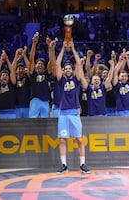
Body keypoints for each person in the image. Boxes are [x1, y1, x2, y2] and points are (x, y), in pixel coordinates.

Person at [54, 39, 90, 174]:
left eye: (70, 68)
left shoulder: (76, 79)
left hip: (74, 112)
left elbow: (79, 64)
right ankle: (64, 165)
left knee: (79, 139)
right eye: (66, 69)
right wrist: (63, 49)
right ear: (63, 71)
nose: (68, 70)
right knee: (62, 139)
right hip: (63, 113)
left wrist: (73, 48)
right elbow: (57, 63)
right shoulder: (61, 80)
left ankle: (82, 164)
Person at [27, 33, 52, 118]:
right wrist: (34, 43)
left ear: (44, 67)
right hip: (35, 100)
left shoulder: (46, 74)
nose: (40, 65)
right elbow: (31, 60)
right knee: (32, 121)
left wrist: (50, 47)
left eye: (42, 64)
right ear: (36, 66)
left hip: (45, 101)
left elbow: (51, 62)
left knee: (46, 123)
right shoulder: (33, 74)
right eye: (38, 63)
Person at [0, 50, 19, 119]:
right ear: (0, 77)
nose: (4, 76)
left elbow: (12, 72)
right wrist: (1, 61)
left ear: (9, 77)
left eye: (6, 75)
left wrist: (7, 59)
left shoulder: (12, 84)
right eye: (3, 75)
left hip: (12, 112)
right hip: (0, 112)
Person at [112, 50, 129, 116]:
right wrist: (121, 61)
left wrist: (127, 59)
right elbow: (115, 72)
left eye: (126, 76)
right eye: (122, 76)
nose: (124, 77)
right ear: (119, 77)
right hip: (120, 111)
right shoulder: (116, 84)